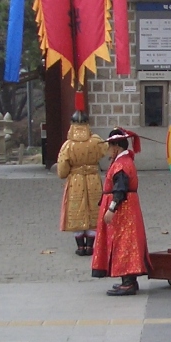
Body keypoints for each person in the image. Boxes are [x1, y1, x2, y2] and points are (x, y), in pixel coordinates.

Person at [91, 127, 151, 295]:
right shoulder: (123, 161)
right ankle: (128, 281)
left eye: (110, 146)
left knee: (124, 242)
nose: (108, 150)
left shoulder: (121, 165)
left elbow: (120, 189)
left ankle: (128, 282)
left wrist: (111, 208)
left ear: (116, 146)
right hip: (127, 208)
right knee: (126, 242)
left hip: (124, 211)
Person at [56, 109, 105, 257]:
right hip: (93, 179)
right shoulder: (96, 141)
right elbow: (105, 151)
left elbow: (62, 171)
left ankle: (80, 246)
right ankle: (90, 246)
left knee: (77, 211)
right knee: (93, 210)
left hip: (76, 180)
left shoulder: (68, 145)